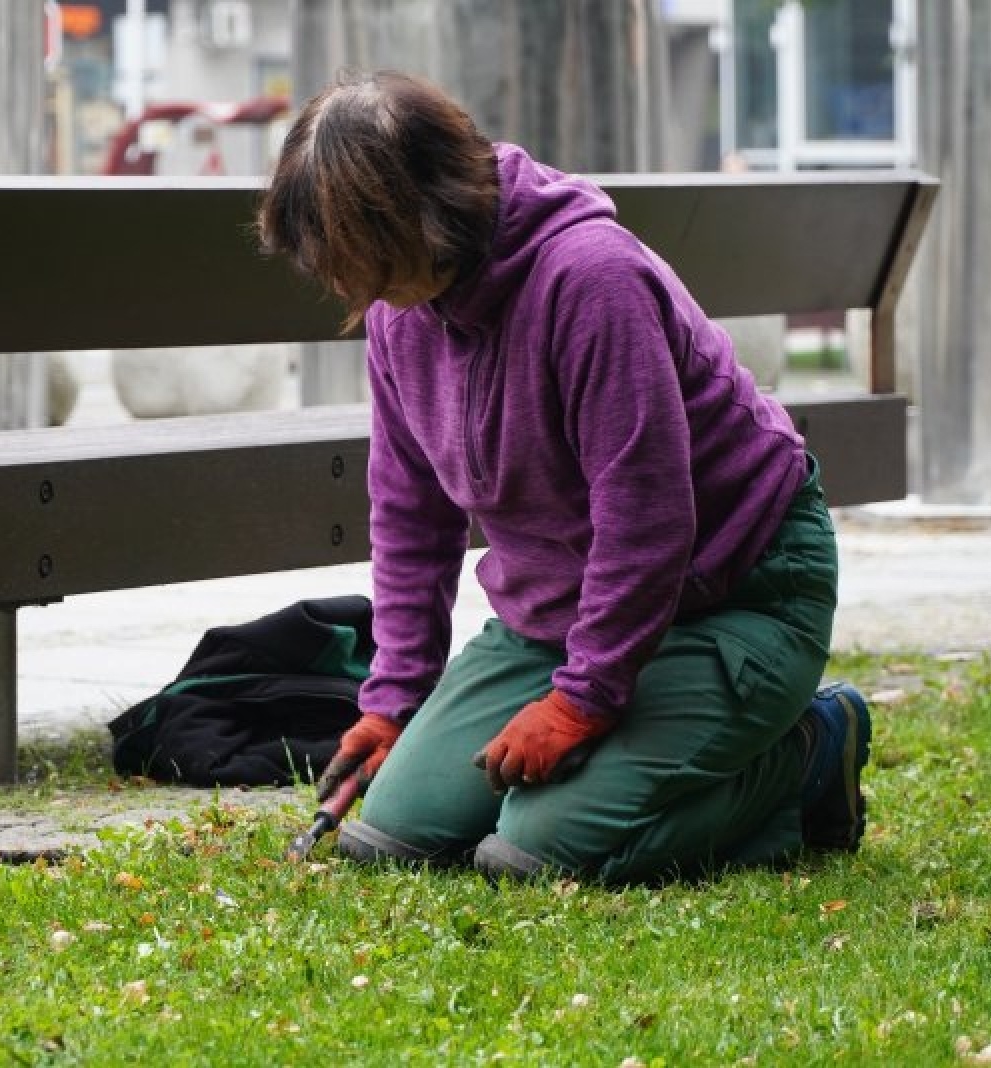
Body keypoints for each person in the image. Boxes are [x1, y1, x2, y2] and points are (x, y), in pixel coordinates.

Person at [256, 70, 871, 884]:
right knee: (398, 835)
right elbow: (411, 516)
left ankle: (812, 752)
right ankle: (620, 713)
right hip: (560, 606)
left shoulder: (590, 279)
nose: (345, 286)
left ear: (425, 218)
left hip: (734, 590)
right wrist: (393, 698)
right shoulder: (400, 314)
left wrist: (581, 701)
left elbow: (646, 520)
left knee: (536, 852)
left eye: (358, 260)